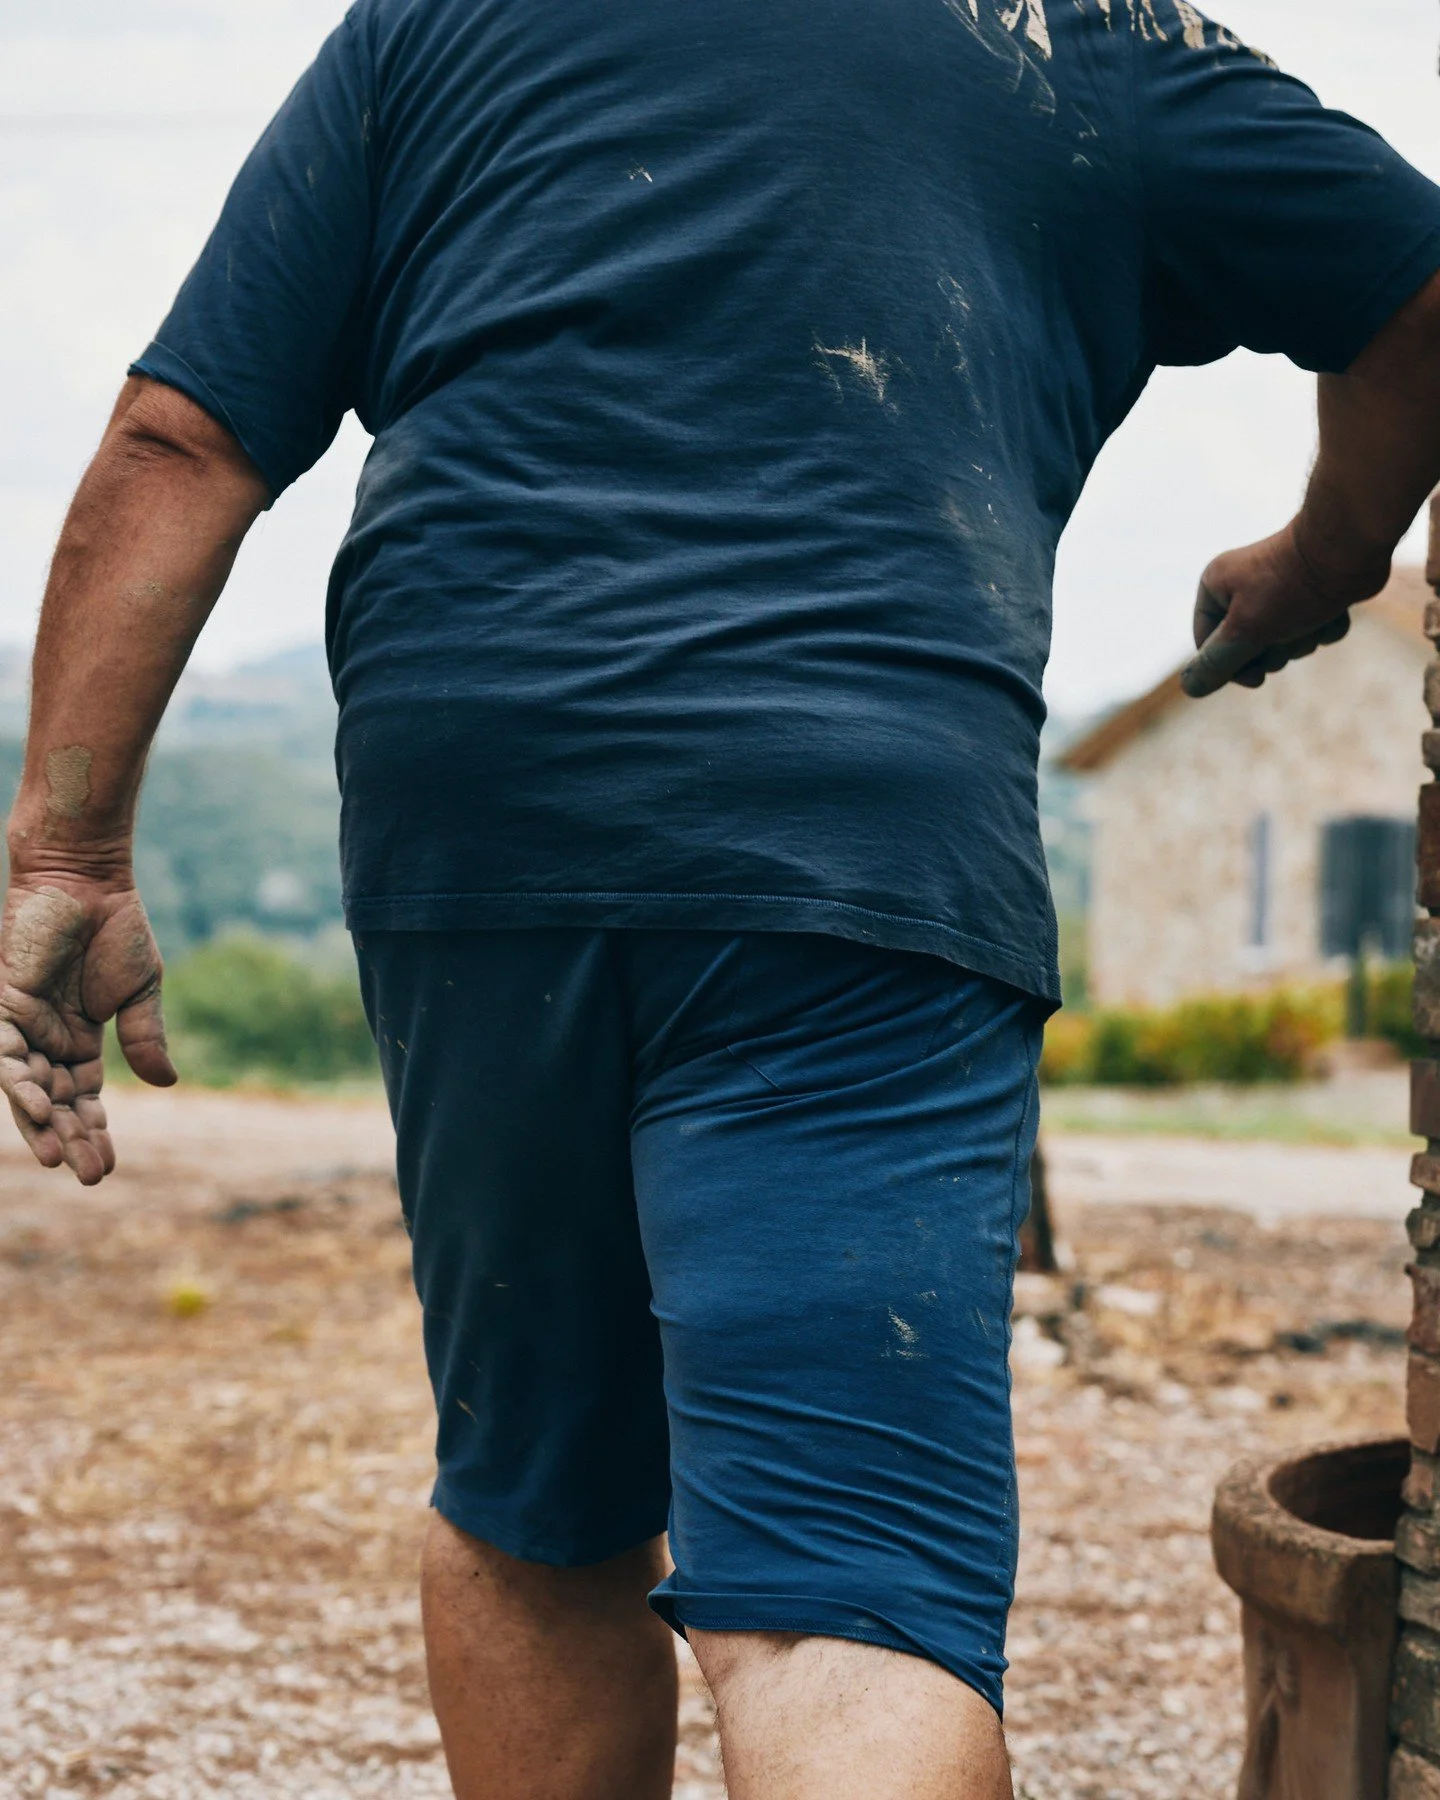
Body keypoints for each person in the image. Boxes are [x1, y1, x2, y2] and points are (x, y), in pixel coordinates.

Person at [4, 2, 1440, 1794]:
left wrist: (67, 855)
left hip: (485, 820)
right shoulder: (1088, 33)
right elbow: (1417, 292)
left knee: (536, 1509)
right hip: (852, 837)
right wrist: (1329, 553)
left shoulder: (443, 21)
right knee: (842, 1598)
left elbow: (180, 441)